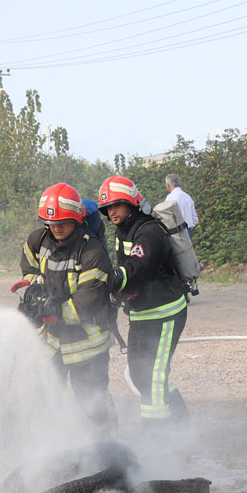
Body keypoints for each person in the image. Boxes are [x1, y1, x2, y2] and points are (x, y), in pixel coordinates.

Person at [19, 183, 116, 431]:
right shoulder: (37, 241)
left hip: (87, 346)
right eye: (51, 222)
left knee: (94, 406)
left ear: (76, 218)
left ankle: (110, 455)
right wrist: (34, 295)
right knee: (47, 402)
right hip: (51, 344)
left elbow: (88, 300)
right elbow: (29, 269)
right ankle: (50, 451)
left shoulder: (92, 251)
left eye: (63, 221)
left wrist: (52, 313)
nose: (57, 227)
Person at [97, 175, 189, 425]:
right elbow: (127, 272)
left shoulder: (149, 232)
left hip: (165, 311)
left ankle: (157, 440)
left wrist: (108, 280)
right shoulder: (123, 231)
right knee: (140, 374)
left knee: (153, 376)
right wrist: (114, 299)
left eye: (117, 205)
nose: (111, 211)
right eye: (108, 207)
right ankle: (182, 426)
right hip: (142, 312)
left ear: (131, 203)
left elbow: (136, 269)